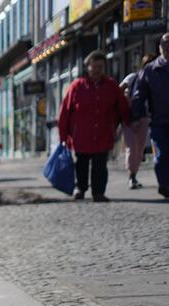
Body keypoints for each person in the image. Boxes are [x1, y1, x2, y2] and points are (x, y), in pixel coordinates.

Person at [57, 50, 130, 202]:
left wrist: (129, 122)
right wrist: (63, 136)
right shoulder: (77, 86)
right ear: (87, 67)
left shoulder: (111, 86)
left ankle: (98, 192)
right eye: (94, 66)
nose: (97, 70)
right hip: (81, 135)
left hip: (103, 133)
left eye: (101, 67)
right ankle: (81, 188)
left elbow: (122, 107)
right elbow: (65, 112)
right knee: (81, 164)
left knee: (100, 166)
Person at [131, 33, 169, 199]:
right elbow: (139, 95)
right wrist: (135, 116)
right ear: (160, 47)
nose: (168, 48)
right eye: (165, 45)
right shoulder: (150, 69)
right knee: (161, 157)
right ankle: (164, 184)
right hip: (159, 122)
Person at [120, 54, 156, 189]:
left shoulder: (155, 80)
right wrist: (125, 97)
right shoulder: (133, 77)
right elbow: (118, 91)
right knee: (131, 147)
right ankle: (131, 176)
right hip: (129, 117)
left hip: (144, 117)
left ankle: (134, 174)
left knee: (139, 149)